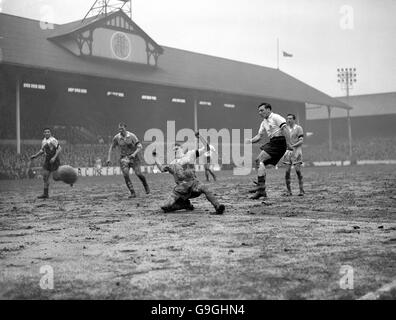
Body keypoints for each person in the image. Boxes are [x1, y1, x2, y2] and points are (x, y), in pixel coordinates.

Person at [152, 138, 225, 215]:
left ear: (182, 148)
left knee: (204, 188)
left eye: (177, 148)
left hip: (194, 185)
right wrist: (155, 157)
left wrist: (199, 136)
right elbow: (161, 169)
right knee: (165, 207)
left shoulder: (190, 154)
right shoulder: (172, 164)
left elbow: (207, 148)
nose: (175, 150)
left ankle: (218, 207)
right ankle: (185, 205)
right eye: (174, 149)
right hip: (181, 190)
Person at [246, 103, 292, 199]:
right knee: (259, 164)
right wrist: (250, 141)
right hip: (273, 142)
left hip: (279, 142)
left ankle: (261, 188)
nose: (260, 113)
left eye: (262, 110)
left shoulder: (276, 117)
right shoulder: (264, 122)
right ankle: (261, 191)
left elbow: (285, 129)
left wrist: (288, 144)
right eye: (259, 111)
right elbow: (259, 136)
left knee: (259, 161)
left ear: (268, 109)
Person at [106, 123, 150, 198]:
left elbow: (140, 147)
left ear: (125, 128)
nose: (120, 130)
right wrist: (109, 158)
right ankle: (132, 193)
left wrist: (134, 154)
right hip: (123, 158)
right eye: (119, 128)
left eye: (122, 128)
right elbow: (111, 147)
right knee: (125, 175)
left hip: (134, 158)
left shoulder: (132, 136)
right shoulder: (116, 137)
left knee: (138, 174)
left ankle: (145, 184)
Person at [30, 128, 62, 199]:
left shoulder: (53, 140)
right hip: (47, 160)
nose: (47, 133)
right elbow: (42, 151)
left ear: (50, 133)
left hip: (54, 160)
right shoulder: (43, 141)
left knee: (56, 177)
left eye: (48, 132)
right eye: (45, 132)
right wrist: (35, 156)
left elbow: (59, 149)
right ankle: (45, 194)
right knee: (45, 177)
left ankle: (68, 178)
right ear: (43, 133)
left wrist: (54, 158)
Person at [282, 114, 305, 196]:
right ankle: (289, 191)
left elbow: (301, 141)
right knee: (287, 172)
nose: (288, 120)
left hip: (296, 152)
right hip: (287, 152)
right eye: (287, 118)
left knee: (298, 171)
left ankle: (301, 190)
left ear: (294, 120)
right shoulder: (285, 129)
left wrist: (293, 145)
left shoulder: (298, 128)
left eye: (290, 118)